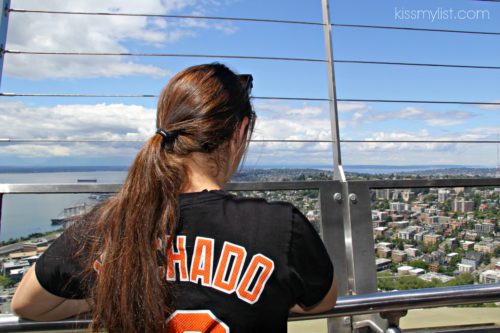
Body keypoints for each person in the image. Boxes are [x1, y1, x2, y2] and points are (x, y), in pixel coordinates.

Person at [11, 63, 336, 332]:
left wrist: (112, 291)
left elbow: (28, 303)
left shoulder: (105, 224)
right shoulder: (278, 227)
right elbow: (321, 301)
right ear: (240, 131)